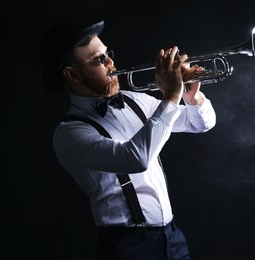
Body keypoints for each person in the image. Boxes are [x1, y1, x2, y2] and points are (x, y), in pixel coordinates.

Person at [39, 18, 216, 260]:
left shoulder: (134, 99)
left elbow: (200, 123)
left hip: (172, 238)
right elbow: (136, 159)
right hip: (127, 248)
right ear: (72, 75)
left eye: (107, 53)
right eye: (99, 59)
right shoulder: (69, 134)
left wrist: (192, 98)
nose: (111, 63)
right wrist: (172, 95)